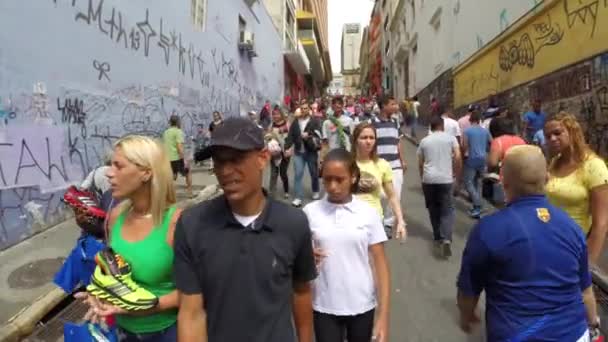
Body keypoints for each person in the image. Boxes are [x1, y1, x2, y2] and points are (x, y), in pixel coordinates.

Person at [173, 117, 317, 341]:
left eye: (236, 159)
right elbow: (191, 313)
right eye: (219, 162)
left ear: (262, 159)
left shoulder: (293, 223)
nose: (226, 171)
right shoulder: (192, 225)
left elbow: (301, 292)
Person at [457, 145, 601, 341]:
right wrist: (593, 324)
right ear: (548, 178)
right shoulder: (572, 228)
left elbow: (468, 291)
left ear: (502, 180)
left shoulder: (487, 230)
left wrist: (467, 316)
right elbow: (585, 291)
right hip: (574, 334)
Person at [76, 135, 182, 341]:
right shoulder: (115, 217)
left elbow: (195, 293)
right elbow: (112, 269)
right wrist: (98, 291)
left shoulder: (178, 224)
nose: (109, 174)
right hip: (123, 332)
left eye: (118, 166)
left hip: (166, 333)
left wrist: (145, 307)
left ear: (146, 173)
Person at [303, 148, 391, 342]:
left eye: (339, 179)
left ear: (353, 177)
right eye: (327, 179)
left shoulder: (368, 213)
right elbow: (298, 260)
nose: (333, 186)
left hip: (362, 305)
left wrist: (383, 318)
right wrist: (306, 257)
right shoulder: (310, 212)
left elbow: (380, 265)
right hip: (323, 305)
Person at [544, 112, 608, 264]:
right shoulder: (554, 163)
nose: (552, 139)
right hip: (548, 244)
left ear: (572, 132)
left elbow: (601, 224)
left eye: (557, 133)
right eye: (548, 136)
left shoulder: (594, 166)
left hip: (574, 249)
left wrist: (588, 265)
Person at [352, 123, 407, 241]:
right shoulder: (346, 164)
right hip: (350, 222)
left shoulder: (382, 165)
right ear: (356, 140)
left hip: (375, 222)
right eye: (364, 137)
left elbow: (392, 196)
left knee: (375, 258)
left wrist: (400, 221)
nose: (368, 141)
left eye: (371, 138)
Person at [417, 115, 462, 258]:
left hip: (429, 179)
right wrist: (456, 174)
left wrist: (422, 177)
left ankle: (437, 236)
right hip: (446, 179)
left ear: (431, 127)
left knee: (433, 208)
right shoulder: (451, 139)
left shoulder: (424, 141)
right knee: (447, 210)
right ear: (442, 126)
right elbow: (458, 156)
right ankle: (447, 238)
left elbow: (420, 162)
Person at [371, 96, 408, 230]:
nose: (396, 107)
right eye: (393, 104)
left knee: (395, 194)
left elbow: (398, 142)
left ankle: (388, 222)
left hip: (395, 165)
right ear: (383, 106)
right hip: (378, 165)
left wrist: (402, 160)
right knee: (379, 194)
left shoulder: (395, 122)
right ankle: (377, 220)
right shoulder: (372, 123)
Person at [285, 101, 322, 207]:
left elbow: (319, 133)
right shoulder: (295, 122)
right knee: (298, 174)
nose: (303, 110)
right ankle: (298, 197)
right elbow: (290, 136)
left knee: (314, 173)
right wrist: (287, 148)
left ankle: (315, 190)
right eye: (302, 108)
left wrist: (309, 134)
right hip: (298, 152)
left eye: (306, 108)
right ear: (300, 109)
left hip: (311, 151)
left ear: (309, 109)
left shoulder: (314, 121)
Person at [462, 111, 493, 219]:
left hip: (471, 159)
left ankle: (478, 204)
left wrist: (464, 155)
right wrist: (486, 151)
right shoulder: (485, 131)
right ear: (479, 120)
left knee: (468, 182)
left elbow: (464, 146)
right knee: (478, 182)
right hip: (483, 158)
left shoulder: (467, 131)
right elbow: (491, 142)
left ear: (470, 120)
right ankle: (477, 207)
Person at [163, 115, 193, 197]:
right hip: (177, 158)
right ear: (178, 122)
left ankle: (167, 194)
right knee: (188, 172)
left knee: (172, 176)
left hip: (168, 158)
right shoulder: (178, 132)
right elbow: (179, 147)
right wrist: (184, 159)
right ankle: (190, 192)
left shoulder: (166, 132)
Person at [266, 105, 291, 199]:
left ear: (281, 114)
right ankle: (271, 195)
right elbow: (267, 136)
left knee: (283, 173)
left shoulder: (287, 124)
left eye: (277, 114)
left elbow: (291, 138)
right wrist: (268, 138)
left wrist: (290, 149)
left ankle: (286, 190)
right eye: (273, 114)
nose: (275, 116)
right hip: (275, 153)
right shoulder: (271, 125)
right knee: (273, 174)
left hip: (285, 153)